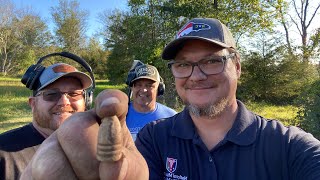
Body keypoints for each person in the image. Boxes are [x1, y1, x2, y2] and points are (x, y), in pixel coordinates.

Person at [135, 18, 320, 179]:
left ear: (237, 67)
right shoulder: (154, 139)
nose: (196, 76)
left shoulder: (288, 146)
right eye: (183, 64)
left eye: (212, 61)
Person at [0, 62, 93, 179]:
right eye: (51, 94)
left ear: (87, 101)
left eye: (74, 94)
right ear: (33, 104)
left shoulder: (96, 148)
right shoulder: (3, 154)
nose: (64, 102)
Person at [126, 62, 177, 140]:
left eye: (149, 85)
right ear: (132, 88)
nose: (143, 90)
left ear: (159, 89)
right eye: (138, 85)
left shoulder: (172, 118)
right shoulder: (122, 115)